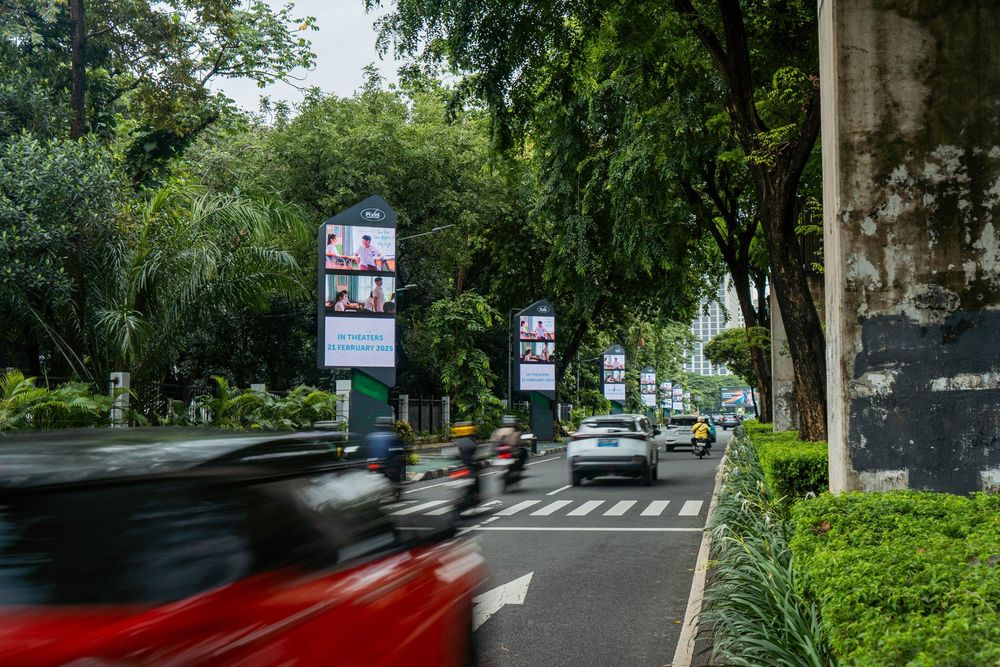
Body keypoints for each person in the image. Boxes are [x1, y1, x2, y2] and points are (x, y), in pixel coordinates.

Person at [365, 416, 408, 499]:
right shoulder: (393, 436)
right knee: (399, 465)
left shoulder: (370, 436)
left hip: (373, 462)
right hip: (389, 462)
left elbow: (366, 449)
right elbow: (401, 448)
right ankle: (397, 484)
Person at [452, 422, 483, 511]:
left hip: (459, 468)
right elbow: (475, 456)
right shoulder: (471, 442)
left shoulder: (456, 442)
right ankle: (476, 496)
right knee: (476, 477)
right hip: (468, 469)